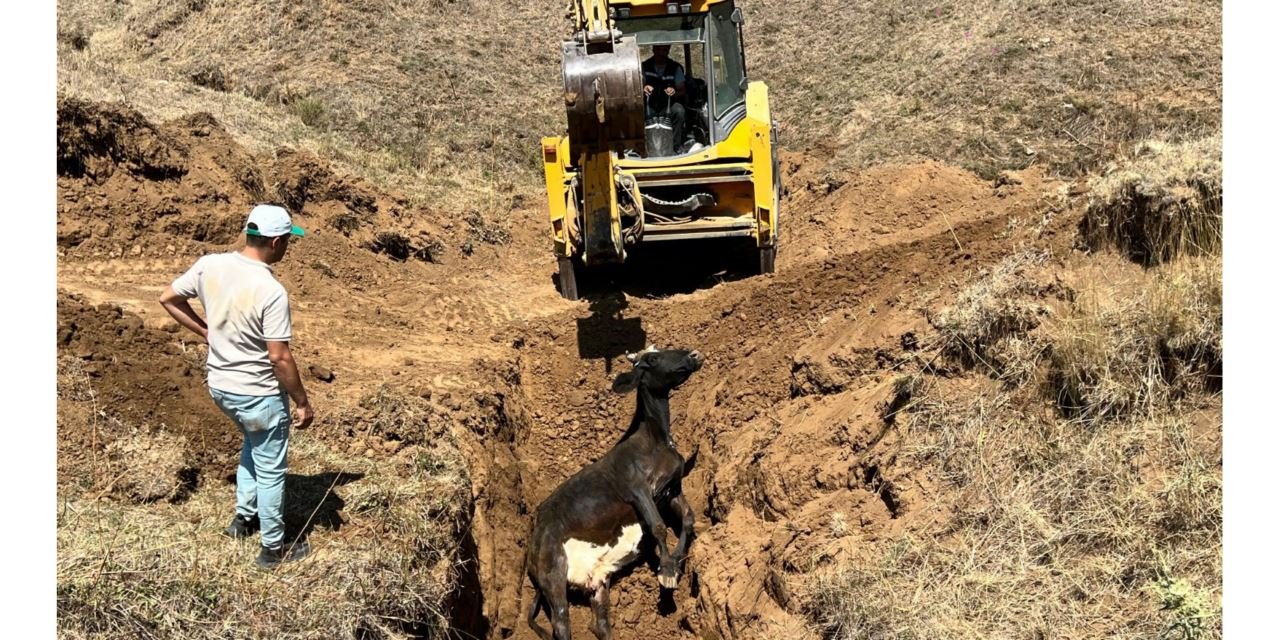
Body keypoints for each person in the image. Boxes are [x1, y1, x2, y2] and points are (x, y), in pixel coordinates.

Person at [159, 203, 315, 570]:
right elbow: (279, 358)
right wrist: (302, 401)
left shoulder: (209, 264)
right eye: (288, 241)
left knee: (252, 443)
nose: (289, 246)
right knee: (272, 467)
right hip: (258, 395)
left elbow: (168, 298)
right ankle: (273, 548)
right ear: (277, 242)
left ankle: (243, 520)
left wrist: (205, 331)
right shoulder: (270, 290)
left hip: (221, 387)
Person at [642, 44, 688, 153]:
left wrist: (674, 92)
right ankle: (642, 147)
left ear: (668, 51)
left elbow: (682, 90)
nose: (661, 53)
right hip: (649, 105)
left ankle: (675, 147)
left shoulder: (675, 68)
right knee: (636, 112)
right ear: (653, 49)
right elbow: (635, 87)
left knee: (679, 111)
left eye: (665, 50)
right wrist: (644, 88)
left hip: (668, 105)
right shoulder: (644, 66)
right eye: (659, 49)